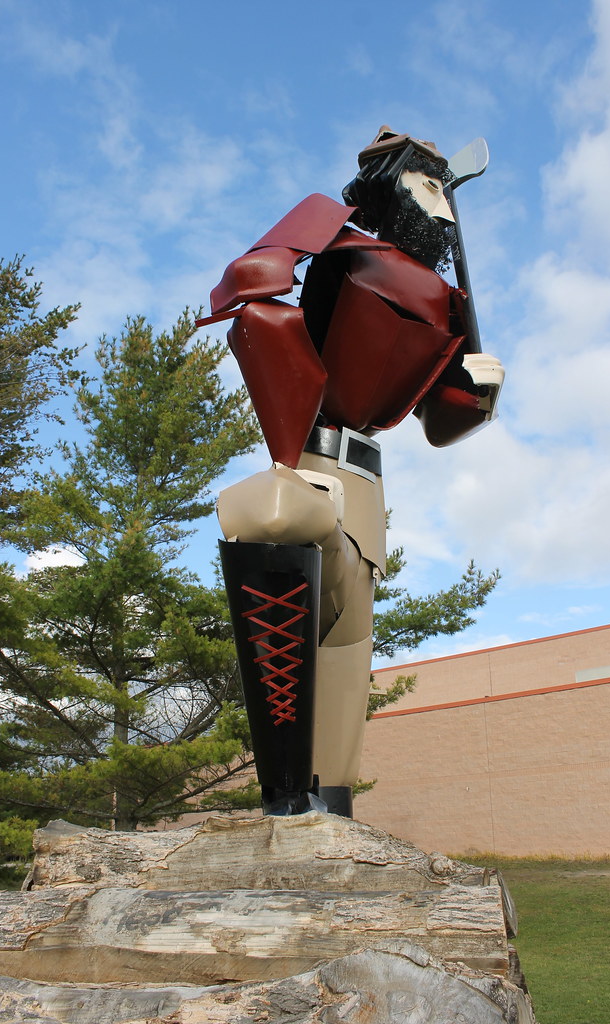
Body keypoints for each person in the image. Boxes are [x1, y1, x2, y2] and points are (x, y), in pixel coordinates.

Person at [197, 127, 504, 816]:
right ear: (390, 184)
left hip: (368, 490)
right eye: (428, 186)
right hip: (313, 457)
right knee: (278, 521)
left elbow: (439, 423)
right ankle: (283, 794)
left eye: (445, 191)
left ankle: (330, 807)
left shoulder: (447, 301)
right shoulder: (337, 237)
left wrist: (479, 395)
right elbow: (251, 286)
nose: (443, 207)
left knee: (345, 653)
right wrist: (286, 432)